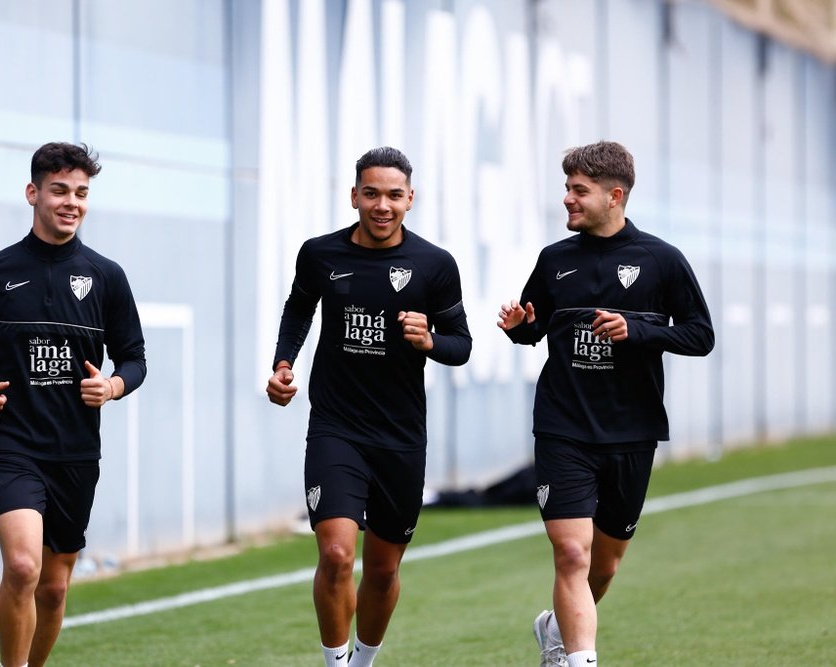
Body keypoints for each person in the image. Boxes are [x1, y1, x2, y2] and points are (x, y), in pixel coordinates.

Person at [498, 141, 714, 667]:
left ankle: (554, 628)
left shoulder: (661, 260)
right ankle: (577, 660)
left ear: (614, 196)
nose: (567, 199)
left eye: (579, 190)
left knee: (605, 567)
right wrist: (520, 329)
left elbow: (699, 335)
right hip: (563, 426)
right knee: (572, 553)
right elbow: (536, 324)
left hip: (631, 430)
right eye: (567, 188)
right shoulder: (555, 259)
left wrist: (636, 329)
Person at [0, 142, 146, 667]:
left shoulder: (107, 276)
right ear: (33, 193)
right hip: (10, 443)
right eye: (59, 190)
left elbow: (134, 359)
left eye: (81, 193)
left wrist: (114, 387)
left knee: (53, 588)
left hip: (75, 450)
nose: (71, 202)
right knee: (25, 566)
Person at [266, 146, 472, 667]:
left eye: (394, 195)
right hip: (335, 426)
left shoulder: (434, 265)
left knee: (381, 569)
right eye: (372, 193)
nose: (383, 205)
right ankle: (337, 664)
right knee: (336, 554)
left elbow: (461, 344)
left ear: (411, 199)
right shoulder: (320, 254)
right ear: (354, 195)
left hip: (400, 437)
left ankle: (363, 660)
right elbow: (298, 309)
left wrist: (430, 342)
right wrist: (283, 363)